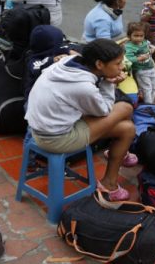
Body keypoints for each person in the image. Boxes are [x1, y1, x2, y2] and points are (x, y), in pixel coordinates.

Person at [26, 38, 137, 201]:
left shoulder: (68, 63)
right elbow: (104, 110)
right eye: (118, 63)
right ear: (99, 64)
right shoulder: (83, 86)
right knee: (126, 109)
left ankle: (119, 155)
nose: (121, 67)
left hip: (41, 127)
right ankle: (110, 180)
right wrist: (109, 83)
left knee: (127, 128)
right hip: (56, 139)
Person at [124, 22, 155, 104]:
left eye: (141, 36)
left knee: (154, 87)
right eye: (136, 36)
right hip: (141, 71)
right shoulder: (129, 46)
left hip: (151, 68)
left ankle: (150, 102)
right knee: (147, 88)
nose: (139, 38)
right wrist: (139, 58)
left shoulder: (145, 42)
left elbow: (150, 46)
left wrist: (152, 49)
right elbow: (128, 59)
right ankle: (148, 105)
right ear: (129, 36)